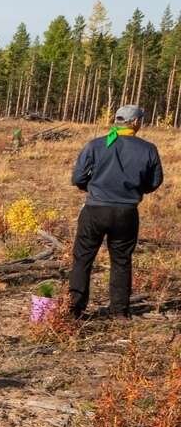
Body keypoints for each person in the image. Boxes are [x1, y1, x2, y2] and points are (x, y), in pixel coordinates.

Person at [68, 105, 164, 319]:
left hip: (94, 210)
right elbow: (155, 181)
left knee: (83, 259)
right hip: (126, 213)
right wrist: (134, 190)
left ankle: (75, 309)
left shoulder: (96, 145)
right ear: (136, 122)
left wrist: (92, 189)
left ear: (116, 121)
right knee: (121, 261)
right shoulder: (148, 149)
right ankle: (119, 312)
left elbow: (78, 178)